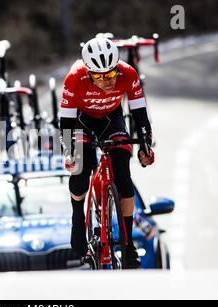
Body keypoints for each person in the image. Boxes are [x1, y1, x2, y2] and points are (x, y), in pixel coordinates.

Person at [59, 37, 155, 269]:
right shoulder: (75, 77)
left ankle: (128, 243)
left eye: (111, 74)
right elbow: (66, 121)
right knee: (81, 170)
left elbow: (140, 114)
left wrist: (145, 144)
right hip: (81, 121)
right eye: (100, 76)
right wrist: (69, 152)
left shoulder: (127, 73)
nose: (108, 80)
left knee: (123, 176)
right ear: (89, 72)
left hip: (112, 119)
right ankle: (77, 217)